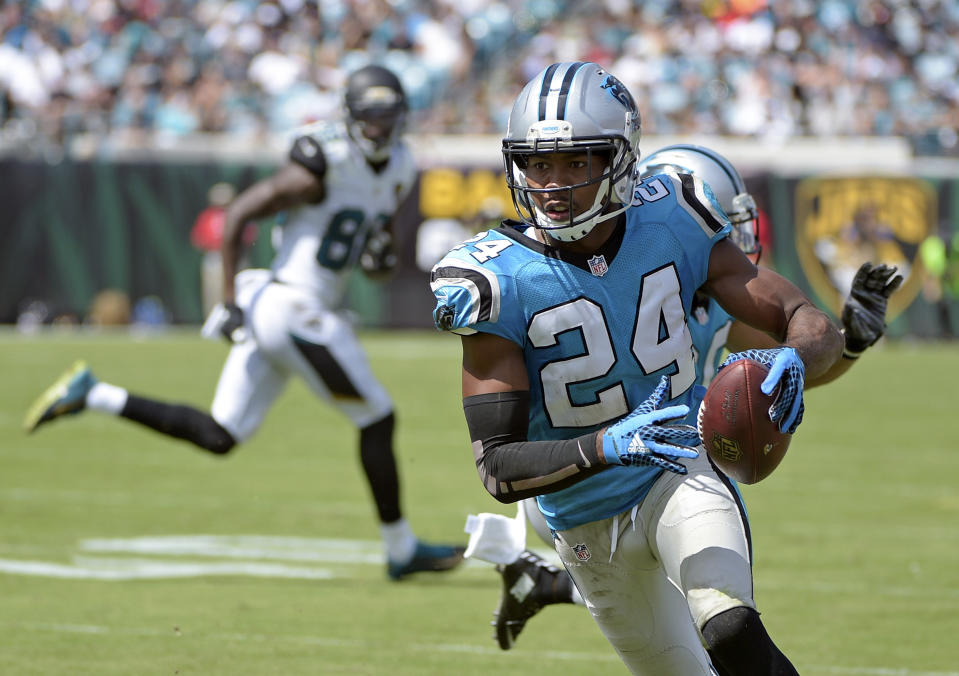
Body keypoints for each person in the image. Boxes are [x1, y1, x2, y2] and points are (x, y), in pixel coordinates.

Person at [430, 62, 844, 675]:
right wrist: (606, 445)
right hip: (583, 521)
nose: (552, 183)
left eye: (577, 162)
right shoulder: (496, 279)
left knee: (728, 625)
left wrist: (794, 358)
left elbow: (803, 317)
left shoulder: (673, 215)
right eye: (538, 164)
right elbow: (496, 466)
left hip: (679, 468)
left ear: (619, 161)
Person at [23, 64, 465, 581]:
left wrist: (382, 255)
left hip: (292, 309)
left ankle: (93, 393)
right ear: (348, 116)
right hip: (290, 305)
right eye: (369, 116)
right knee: (378, 418)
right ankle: (400, 549)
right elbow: (238, 216)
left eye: (387, 116)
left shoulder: (399, 167)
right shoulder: (323, 160)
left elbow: (377, 264)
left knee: (220, 435)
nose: (378, 127)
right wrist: (229, 301)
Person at [462, 143, 903, 652]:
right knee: (666, 596)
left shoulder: (718, 304)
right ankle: (549, 578)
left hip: (664, 469)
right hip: (572, 477)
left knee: (717, 614)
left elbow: (776, 374)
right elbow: (500, 451)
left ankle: (540, 581)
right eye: (719, 218)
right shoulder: (623, 279)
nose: (729, 234)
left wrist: (850, 343)